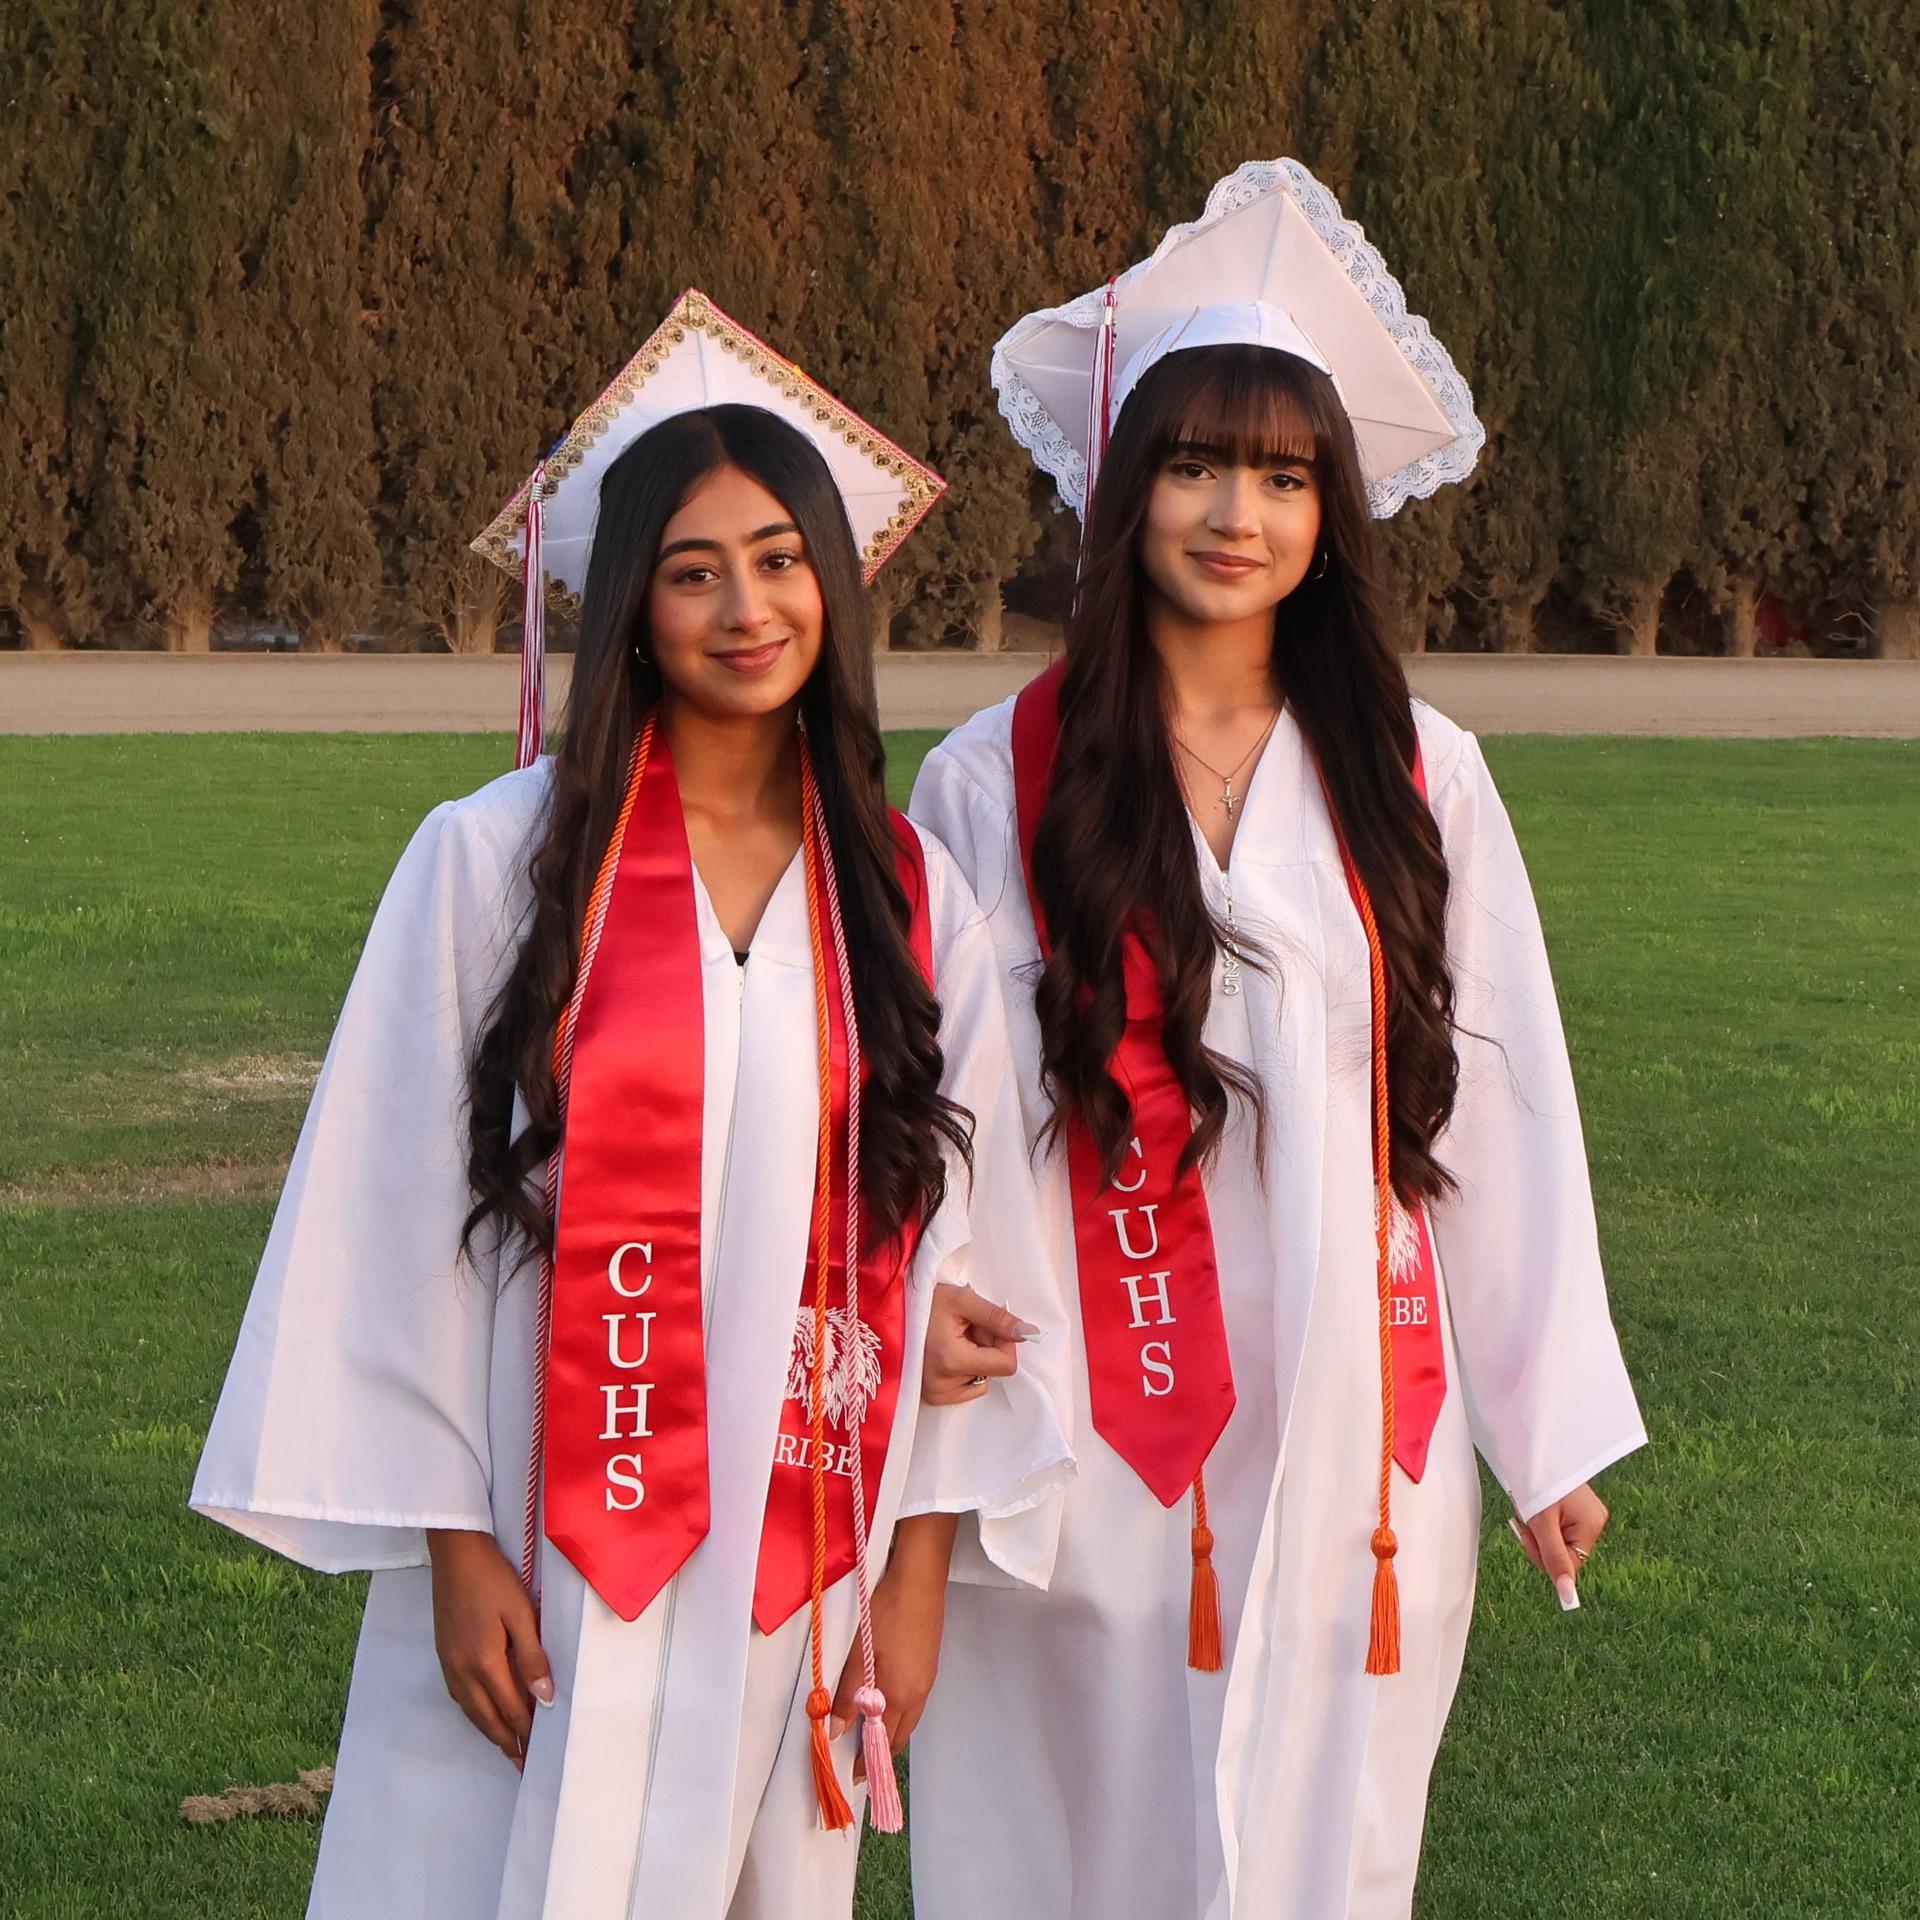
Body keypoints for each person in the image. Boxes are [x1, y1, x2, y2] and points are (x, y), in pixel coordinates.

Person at [191, 290, 1072, 1920]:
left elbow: (969, 1256)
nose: (748, 606)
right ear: (627, 610)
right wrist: (454, 1550)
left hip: (796, 1548)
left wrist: (917, 1579)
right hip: (548, 1526)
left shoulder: (911, 901)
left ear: (836, 580)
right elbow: (393, 1215)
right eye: (693, 570)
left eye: (781, 558)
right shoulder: (494, 867)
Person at [909, 161, 1647, 1919]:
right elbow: (924, 1099)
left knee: (1330, 1819)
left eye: (1285, 472)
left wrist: (1542, 1438)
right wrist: (925, 1300)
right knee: (1067, 1810)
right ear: (1121, 489)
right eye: (1193, 463)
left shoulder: (1416, 772)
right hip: (1093, 1396)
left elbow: (1499, 1095)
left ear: (1333, 510)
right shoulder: (991, 779)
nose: (1237, 510)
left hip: (1349, 1414)